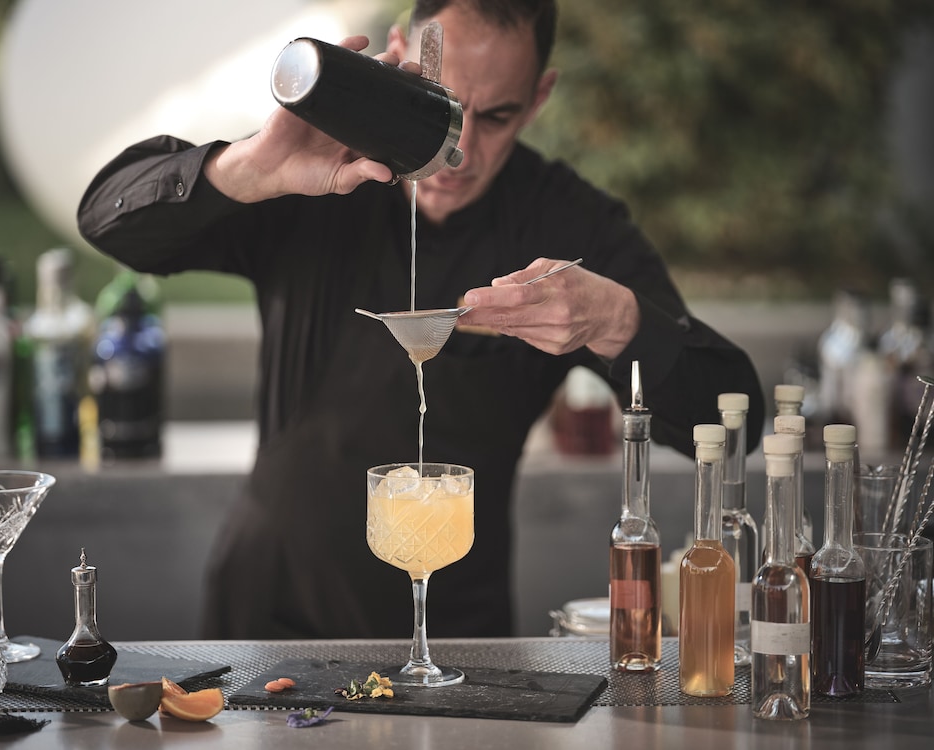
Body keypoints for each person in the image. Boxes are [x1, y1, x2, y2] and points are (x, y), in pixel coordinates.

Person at [77, 0, 765, 639]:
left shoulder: (569, 223)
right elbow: (106, 221)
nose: (460, 149)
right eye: (444, 108)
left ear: (538, 99)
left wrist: (618, 320)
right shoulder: (314, 168)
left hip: (453, 634)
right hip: (267, 609)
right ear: (402, 52)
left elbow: (732, 429)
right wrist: (247, 168)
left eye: (497, 116)